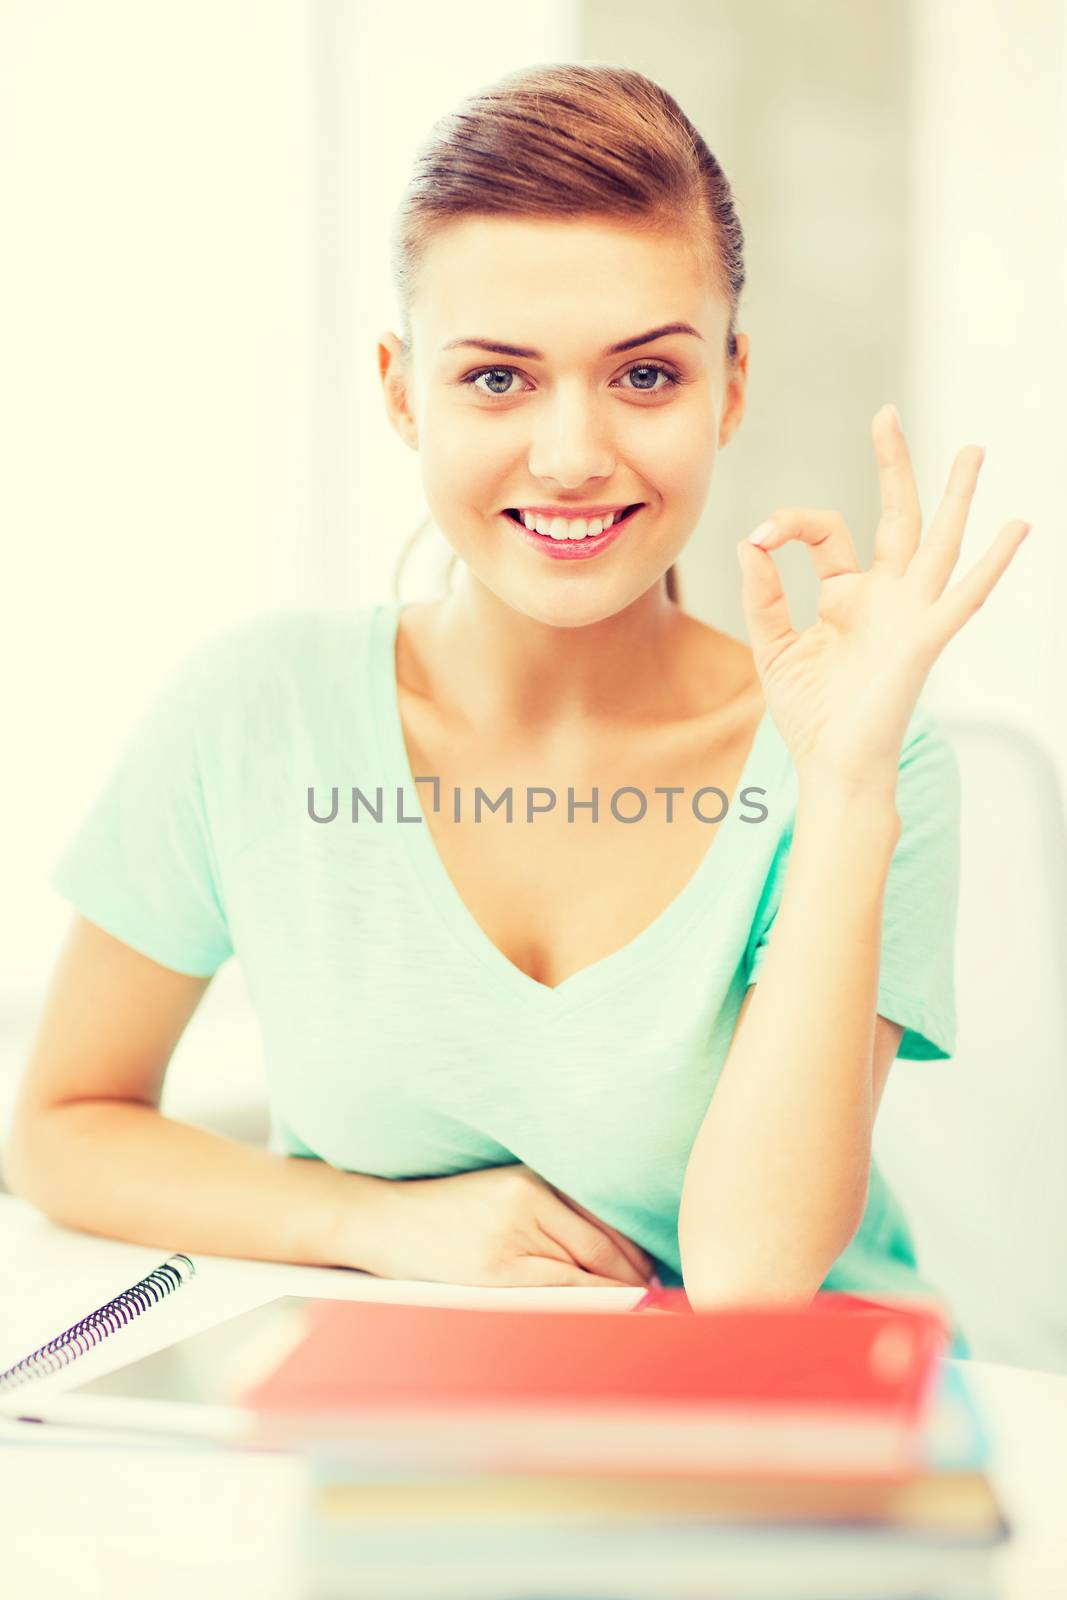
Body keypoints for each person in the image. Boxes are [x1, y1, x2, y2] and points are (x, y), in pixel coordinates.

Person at [4, 64, 1029, 1356]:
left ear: (731, 383)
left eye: (645, 378)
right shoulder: (250, 718)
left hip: (802, 1440)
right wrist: (377, 1223)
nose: (570, 453)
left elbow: (754, 1275)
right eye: (497, 379)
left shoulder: (870, 763)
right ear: (398, 389)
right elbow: (61, 1126)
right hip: (414, 1429)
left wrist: (843, 789)